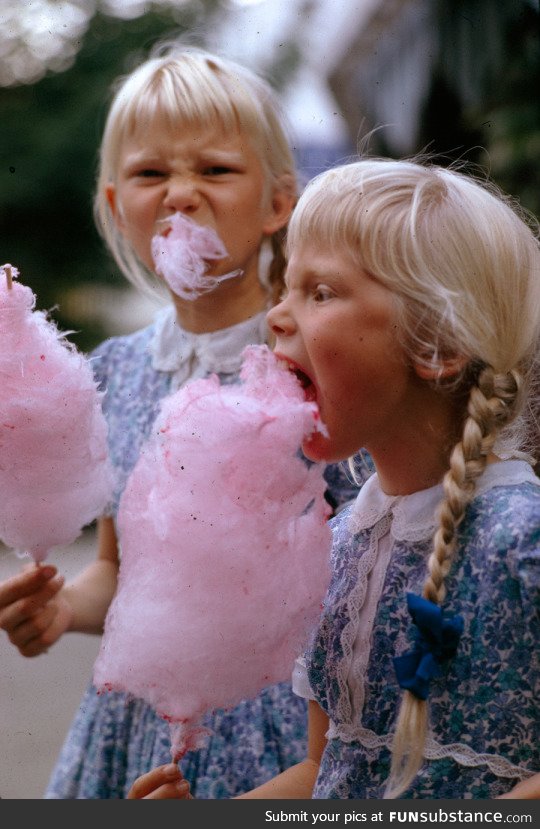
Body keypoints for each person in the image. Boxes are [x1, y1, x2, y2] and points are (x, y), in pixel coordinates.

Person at [0, 45, 361, 799]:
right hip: (129, 729)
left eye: (216, 170)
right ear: (114, 202)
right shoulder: (114, 370)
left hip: (281, 740)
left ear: (278, 201)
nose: (182, 194)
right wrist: (66, 606)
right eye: (150, 173)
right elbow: (119, 570)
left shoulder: (320, 366)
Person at [128, 157, 540, 800]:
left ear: (436, 345)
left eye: (319, 293)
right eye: (285, 288)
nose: (277, 317)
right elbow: (327, 770)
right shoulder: (340, 541)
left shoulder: (522, 539)